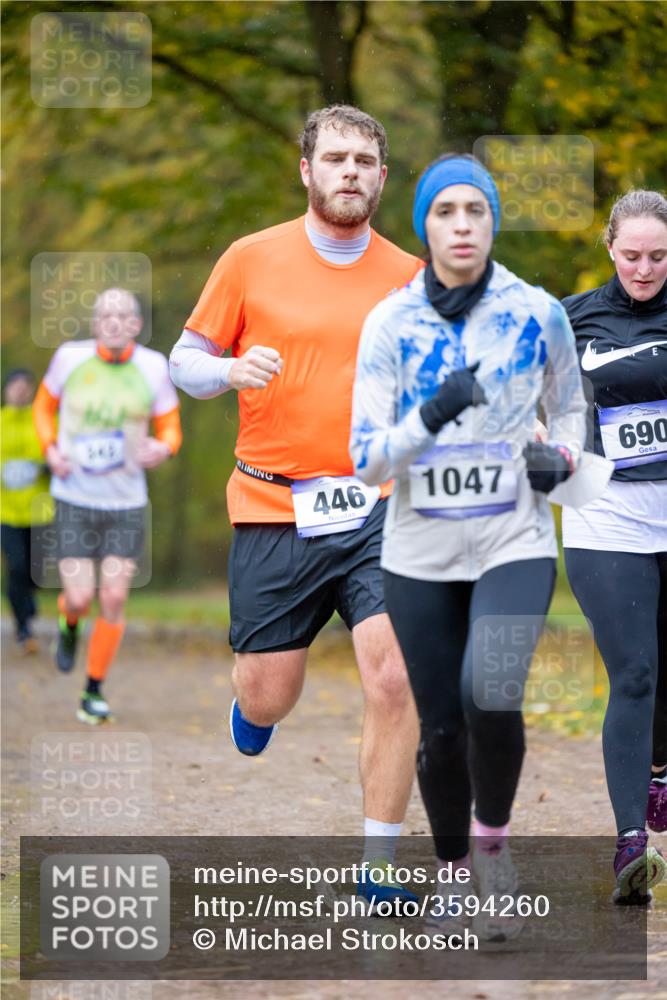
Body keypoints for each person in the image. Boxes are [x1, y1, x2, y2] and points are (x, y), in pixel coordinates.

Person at [170, 105, 421, 910]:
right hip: (274, 506)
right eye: (336, 158)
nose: (350, 172)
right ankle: (254, 709)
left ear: (381, 177)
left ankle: (378, 866)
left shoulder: (412, 277)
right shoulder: (250, 258)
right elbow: (183, 361)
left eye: (364, 161)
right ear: (306, 170)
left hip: (380, 506)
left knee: (395, 676)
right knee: (268, 692)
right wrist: (227, 372)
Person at [350, 153, 588, 938]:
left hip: (512, 539)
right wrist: (430, 414)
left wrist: (562, 458)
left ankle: (492, 852)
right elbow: (366, 459)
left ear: (492, 222)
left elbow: (571, 407)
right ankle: (452, 870)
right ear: (424, 226)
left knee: (490, 691)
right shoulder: (389, 324)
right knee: (442, 726)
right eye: (444, 211)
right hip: (418, 552)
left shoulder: (536, 312)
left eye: (474, 211)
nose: (461, 225)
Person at [562, 189, 667, 904]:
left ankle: (658, 766)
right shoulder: (570, 319)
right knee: (634, 672)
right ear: (609, 248)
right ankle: (630, 843)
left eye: (658, 256)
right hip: (607, 514)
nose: (644, 269)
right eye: (631, 255)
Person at [33, 288, 182, 723]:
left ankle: (93, 690)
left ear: (136, 325)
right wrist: (50, 449)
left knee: (114, 596)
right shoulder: (69, 358)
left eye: (123, 316)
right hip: (74, 497)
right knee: (80, 597)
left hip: (126, 503)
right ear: (96, 324)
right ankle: (69, 621)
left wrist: (164, 447)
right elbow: (42, 408)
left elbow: (170, 425)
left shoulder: (153, 367)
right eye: (106, 316)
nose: (114, 323)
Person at [1, 368, 53, 653]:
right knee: (17, 566)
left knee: (36, 571)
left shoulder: (44, 421)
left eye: (26, 386)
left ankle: (28, 601)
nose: (21, 391)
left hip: (40, 510)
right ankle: (23, 627)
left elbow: (60, 453)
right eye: (16, 386)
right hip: (6, 512)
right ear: (6, 390)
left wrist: (43, 467)